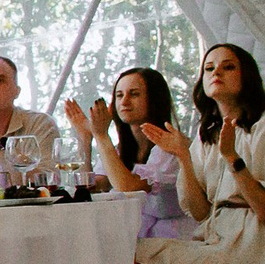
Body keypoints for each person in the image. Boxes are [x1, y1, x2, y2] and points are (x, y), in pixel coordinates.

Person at [134, 44, 265, 264]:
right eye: (209, 68)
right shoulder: (207, 136)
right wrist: (183, 155)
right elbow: (201, 213)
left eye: (228, 67)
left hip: (252, 249)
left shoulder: (261, 128)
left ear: (246, 76)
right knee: (127, 256)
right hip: (214, 240)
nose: (216, 72)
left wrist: (232, 157)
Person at [65, 67, 198, 239]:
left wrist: (101, 136)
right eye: (119, 95)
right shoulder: (121, 149)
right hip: (134, 238)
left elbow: (129, 188)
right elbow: (90, 187)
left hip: (175, 239)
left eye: (134, 94)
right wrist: (85, 138)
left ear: (154, 99)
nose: (125, 102)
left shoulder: (171, 147)